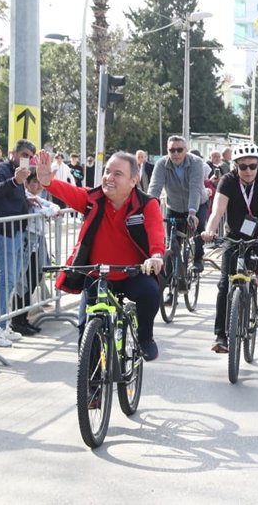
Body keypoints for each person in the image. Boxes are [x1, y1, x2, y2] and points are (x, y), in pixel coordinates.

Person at [36, 149, 165, 362]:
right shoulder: (93, 199)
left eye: (117, 174)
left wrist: (156, 255)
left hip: (132, 274)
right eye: (107, 171)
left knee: (150, 293)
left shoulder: (146, 204)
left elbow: (156, 234)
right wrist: (47, 181)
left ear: (134, 180)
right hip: (98, 275)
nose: (108, 178)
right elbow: (69, 192)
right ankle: (92, 387)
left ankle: (145, 338)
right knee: (86, 327)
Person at [201, 143, 258, 352]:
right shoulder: (228, 182)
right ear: (235, 167)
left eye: (252, 166)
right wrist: (209, 231)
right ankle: (221, 335)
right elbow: (217, 211)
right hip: (235, 236)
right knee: (223, 284)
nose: (248, 171)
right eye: (243, 166)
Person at [0, 140, 38, 347]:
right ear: (12, 152)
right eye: (24, 154)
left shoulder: (18, 174)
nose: (27, 159)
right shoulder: (0, 169)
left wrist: (28, 200)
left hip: (14, 230)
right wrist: (14, 181)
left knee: (11, 280)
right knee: (6, 279)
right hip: (1, 231)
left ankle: (1, 325)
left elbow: (12, 197)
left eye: (30, 156)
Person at [147, 135, 210, 289]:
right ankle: (170, 284)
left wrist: (192, 212)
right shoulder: (162, 164)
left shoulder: (196, 162)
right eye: (171, 150)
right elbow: (154, 188)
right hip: (174, 206)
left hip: (197, 204)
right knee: (171, 243)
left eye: (179, 150)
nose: (175, 153)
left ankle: (198, 259)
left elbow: (195, 188)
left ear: (186, 150)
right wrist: (147, 209)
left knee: (198, 230)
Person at [8, 173, 60, 337]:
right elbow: (45, 210)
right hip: (26, 241)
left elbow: (52, 207)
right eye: (34, 182)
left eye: (39, 182)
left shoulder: (36, 197)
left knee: (33, 277)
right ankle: (17, 321)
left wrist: (49, 210)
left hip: (36, 241)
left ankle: (23, 318)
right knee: (23, 279)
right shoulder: (24, 196)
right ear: (27, 183)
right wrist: (47, 211)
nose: (38, 186)